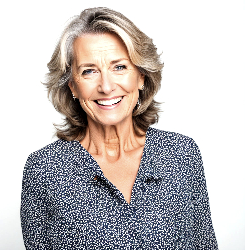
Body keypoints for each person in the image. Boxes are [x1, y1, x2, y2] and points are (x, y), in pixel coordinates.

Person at [20, 7, 218, 249]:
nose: (106, 86)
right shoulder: (43, 170)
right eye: (89, 71)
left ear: (142, 76)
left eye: (119, 67)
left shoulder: (181, 154)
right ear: (72, 86)